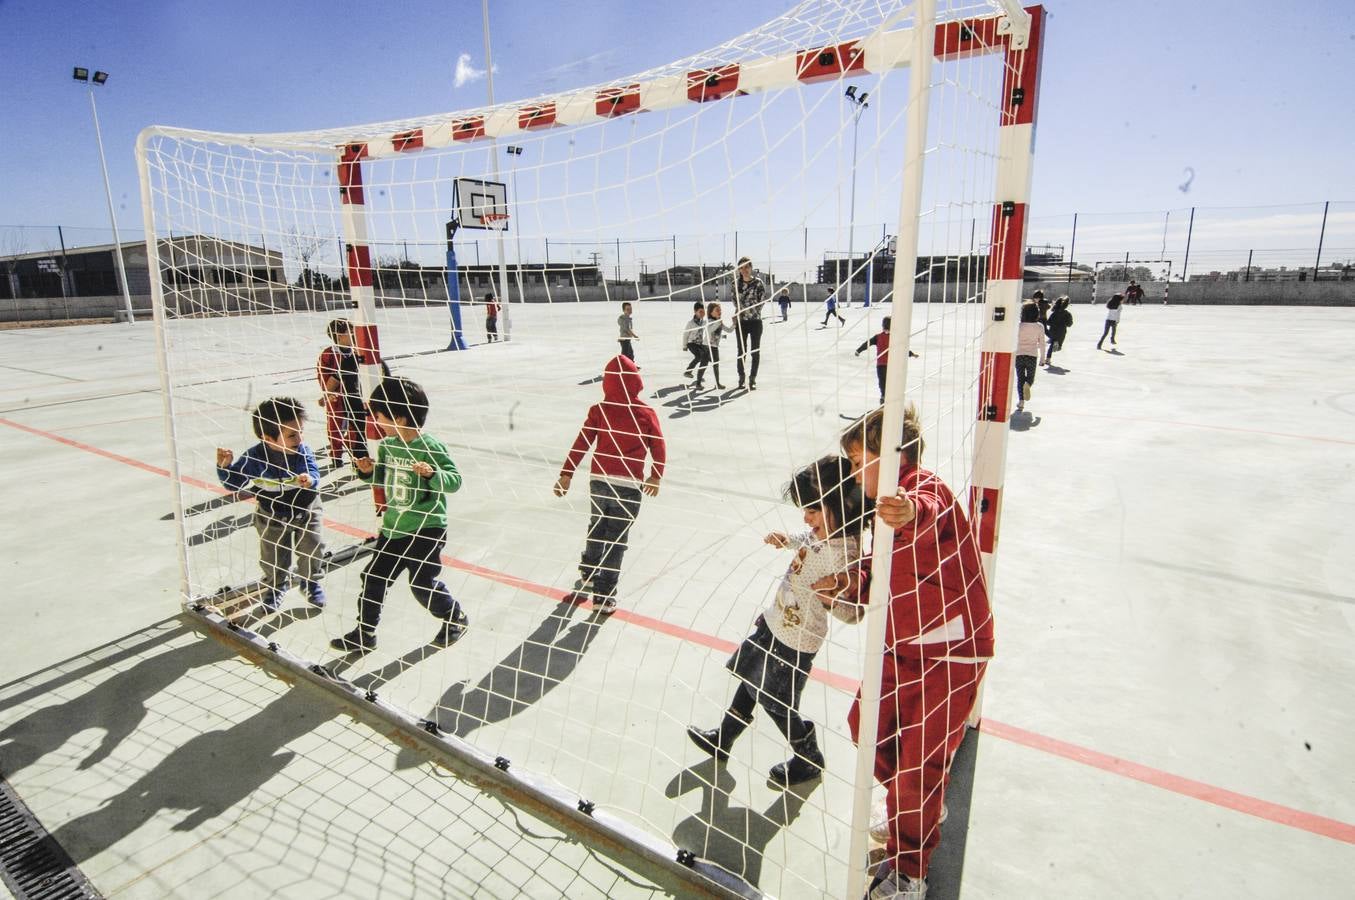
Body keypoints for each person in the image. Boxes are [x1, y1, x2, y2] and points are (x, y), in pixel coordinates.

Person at [839, 406, 993, 900]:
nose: (852, 471)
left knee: (918, 767)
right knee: (865, 725)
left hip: (951, 652)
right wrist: (847, 584)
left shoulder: (926, 491)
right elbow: (877, 567)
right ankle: (914, 805)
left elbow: (924, 510)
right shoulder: (879, 511)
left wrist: (907, 508)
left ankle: (908, 873)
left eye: (858, 459)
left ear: (889, 458)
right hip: (902, 644)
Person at [686, 455, 865, 785]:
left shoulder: (845, 551)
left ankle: (808, 758)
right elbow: (807, 538)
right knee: (749, 679)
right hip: (775, 622)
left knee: (777, 702)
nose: (805, 516)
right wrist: (788, 539)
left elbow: (853, 612)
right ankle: (723, 738)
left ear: (839, 507)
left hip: (798, 640)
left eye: (812, 509)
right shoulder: (821, 531)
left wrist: (832, 597)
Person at [330, 377, 469, 652]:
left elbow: (454, 481)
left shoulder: (430, 446)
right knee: (373, 577)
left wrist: (432, 474)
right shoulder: (388, 446)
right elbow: (378, 480)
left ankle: (455, 618)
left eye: (379, 415)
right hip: (394, 528)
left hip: (426, 527)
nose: (375, 420)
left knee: (421, 583)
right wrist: (367, 470)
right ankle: (365, 633)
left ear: (400, 417)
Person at [554, 354, 665, 615]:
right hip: (627, 485)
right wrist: (655, 474)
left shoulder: (599, 410)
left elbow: (582, 442)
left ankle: (589, 571)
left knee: (597, 525)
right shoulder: (646, 412)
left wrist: (566, 473)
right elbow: (658, 445)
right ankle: (604, 594)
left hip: (599, 482)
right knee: (617, 539)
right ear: (635, 381)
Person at [216, 397, 327, 612]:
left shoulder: (303, 450)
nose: (299, 438)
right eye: (292, 435)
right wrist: (225, 467)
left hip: (307, 509)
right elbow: (233, 483)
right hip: (272, 515)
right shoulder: (255, 457)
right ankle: (276, 588)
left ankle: (310, 583)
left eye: (300, 431)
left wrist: (310, 479)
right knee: (273, 556)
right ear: (268, 438)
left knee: (312, 547)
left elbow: (314, 471)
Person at [316, 318, 364, 466]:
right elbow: (323, 376)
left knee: (355, 426)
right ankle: (336, 455)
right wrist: (327, 393)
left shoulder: (357, 352)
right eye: (350, 331)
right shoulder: (328, 354)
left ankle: (354, 454)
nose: (354, 334)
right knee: (336, 427)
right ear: (339, 335)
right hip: (338, 400)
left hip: (356, 397)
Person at [732, 257, 767, 390]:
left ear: (751, 268)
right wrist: (739, 313)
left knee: (755, 351)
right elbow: (735, 301)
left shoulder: (758, 283)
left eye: (747, 267)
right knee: (741, 351)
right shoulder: (735, 284)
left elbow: (761, 301)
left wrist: (749, 310)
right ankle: (741, 377)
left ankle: (752, 379)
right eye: (741, 267)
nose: (744, 270)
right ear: (739, 270)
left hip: (755, 322)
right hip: (742, 323)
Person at [1014, 301, 1045, 412]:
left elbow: (1013, 341)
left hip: (1019, 355)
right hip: (1032, 355)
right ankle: (1028, 384)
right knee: (1030, 378)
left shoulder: (1018, 326)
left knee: (1020, 379)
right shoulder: (1039, 327)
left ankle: (1021, 402)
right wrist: (1042, 359)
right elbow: (1042, 343)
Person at [705, 301, 736, 389]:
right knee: (703, 365)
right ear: (711, 312)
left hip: (714, 347)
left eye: (720, 310)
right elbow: (710, 331)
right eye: (717, 310)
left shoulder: (719, 322)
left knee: (716, 365)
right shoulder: (710, 321)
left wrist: (734, 323)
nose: (720, 312)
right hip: (707, 347)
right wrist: (718, 322)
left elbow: (729, 330)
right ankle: (698, 382)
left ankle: (717, 383)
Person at [682, 301, 709, 388]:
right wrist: (684, 345)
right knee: (699, 357)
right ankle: (688, 371)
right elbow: (685, 334)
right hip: (691, 343)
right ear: (695, 311)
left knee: (706, 357)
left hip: (700, 344)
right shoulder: (691, 323)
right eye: (700, 311)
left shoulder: (703, 322)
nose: (702, 314)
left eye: (703, 312)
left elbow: (710, 328)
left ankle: (697, 374)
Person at [1044, 296, 1073, 365]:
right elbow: (1069, 324)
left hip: (1052, 331)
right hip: (1061, 332)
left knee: (1052, 344)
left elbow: (1048, 322)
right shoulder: (1067, 314)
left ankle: (1049, 356)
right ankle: (1055, 346)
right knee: (1056, 345)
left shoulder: (1054, 313)